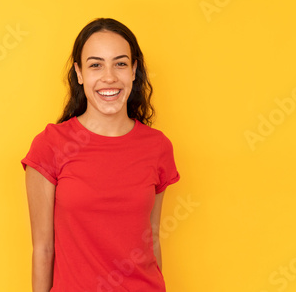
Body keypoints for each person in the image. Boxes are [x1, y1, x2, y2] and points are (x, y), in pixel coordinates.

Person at [21, 18, 180, 292]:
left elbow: (151, 237)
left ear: (133, 71)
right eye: (96, 65)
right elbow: (44, 248)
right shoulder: (50, 145)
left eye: (120, 63)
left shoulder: (157, 147)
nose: (109, 76)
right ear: (79, 73)